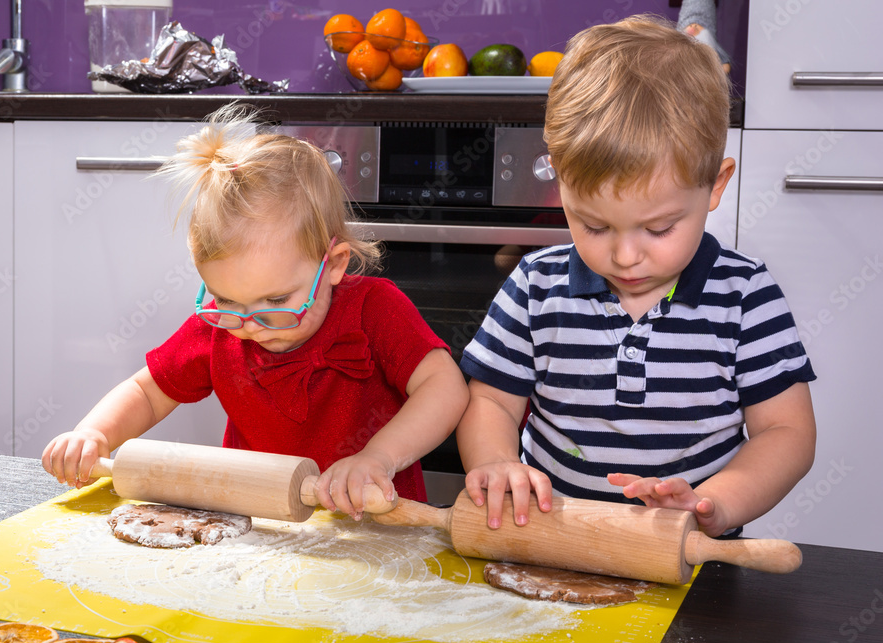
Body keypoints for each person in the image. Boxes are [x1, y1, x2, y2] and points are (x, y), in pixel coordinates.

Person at [456, 15, 816, 538]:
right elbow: (490, 400)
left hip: (687, 562)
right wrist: (494, 461)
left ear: (715, 186)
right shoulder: (536, 286)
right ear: (559, 180)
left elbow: (787, 433)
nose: (625, 256)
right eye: (594, 225)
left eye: (659, 227)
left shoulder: (744, 298)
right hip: (554, 544)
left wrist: (713, 503)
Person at [42, 103, 469, 519]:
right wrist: (94, 433)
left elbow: (445, 388)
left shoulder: (375, 308)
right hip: (258, 528)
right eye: (226, 300)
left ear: (334, 265)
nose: (249, 324)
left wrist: (378, 457)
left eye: (278, 301)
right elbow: (148, 392)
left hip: (377, 528)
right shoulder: (218, 327)